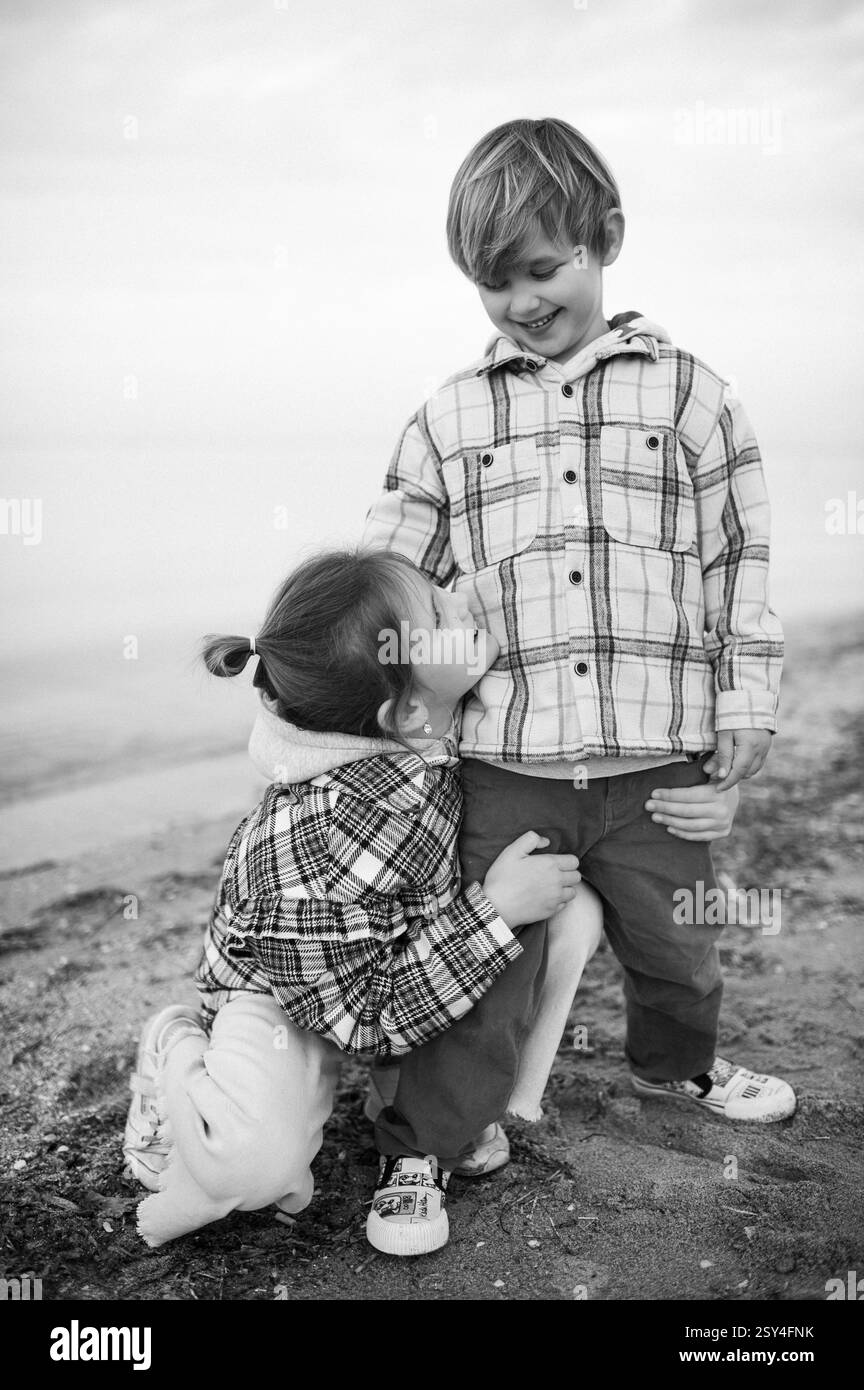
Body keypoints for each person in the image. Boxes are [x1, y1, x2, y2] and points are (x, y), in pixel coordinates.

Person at [360, 116, 795, 1253]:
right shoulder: (448, 417)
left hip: (657, 757)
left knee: (678, 947)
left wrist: (744, 706)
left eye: (541, 269)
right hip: (505, 761)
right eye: (490, 283)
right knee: (487, 956)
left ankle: (678, 1072)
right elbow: (397, 574)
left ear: (603, 239)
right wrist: (339, 670)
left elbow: (740, 563)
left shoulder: (695, 397)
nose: (517, 302)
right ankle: (426, 1147)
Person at [122, 547, 590, 1252]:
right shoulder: (320, 844)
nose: (462, 599)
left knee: (573, 912)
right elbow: (367, 1018)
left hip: (391, 957)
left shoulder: (420, 724)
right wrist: (492, 914)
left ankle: (428, 1098)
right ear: (403, 708)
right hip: (289, 996)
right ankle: (175, 1054)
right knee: (255, 1167)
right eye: (438, 610)